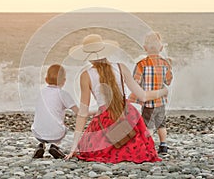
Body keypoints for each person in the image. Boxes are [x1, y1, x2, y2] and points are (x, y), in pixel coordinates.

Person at [65, 34, 168, 163]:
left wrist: (74, 146)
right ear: (104, 51)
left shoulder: (86, 75)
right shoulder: (121, 67)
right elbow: (143, 96)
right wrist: (163, 91)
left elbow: (82, 113)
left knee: (90, 149)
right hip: (127, 117)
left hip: (104, 121)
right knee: (142, 147)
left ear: (88, 56)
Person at [128, 32, 173, 155]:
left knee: (148, 125)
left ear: (145, 48)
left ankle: (149, 145)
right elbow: (168, 81)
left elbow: (135, 81)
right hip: (161, 102)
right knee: (161, 124)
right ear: (161, 48)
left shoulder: (141, 64)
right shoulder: (165, 64)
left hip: (148, 102)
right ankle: (163, 145)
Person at [31, 64, 79, 158]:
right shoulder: (63, 94)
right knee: (64, 127)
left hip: (37, 133)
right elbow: (78, 112)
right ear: (64, 80)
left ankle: (41, 145)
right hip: (56, 135)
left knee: (45, 120)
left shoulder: (41, 93)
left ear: (46, 79)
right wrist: (93, 112)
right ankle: (55, 146)